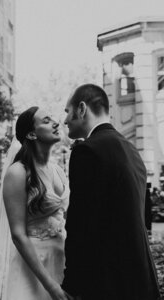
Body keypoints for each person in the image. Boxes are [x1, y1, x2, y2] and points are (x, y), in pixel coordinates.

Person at [62, 84, 160, 300]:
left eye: (67, 112)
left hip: (108, 280)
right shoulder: (131, 150)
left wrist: (72, 283)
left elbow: (80, 224)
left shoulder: (87, 151)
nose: (65, 120)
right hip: (141, 277)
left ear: (81, 109)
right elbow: (142, 217)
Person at [0, 106, 69, 300]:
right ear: (32, 134)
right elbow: (18, 235)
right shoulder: (18, 172)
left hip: (61, 261)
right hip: (33, 269)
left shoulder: (58, 170)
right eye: (46, 120)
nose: (56, 123)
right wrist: (51, 287)